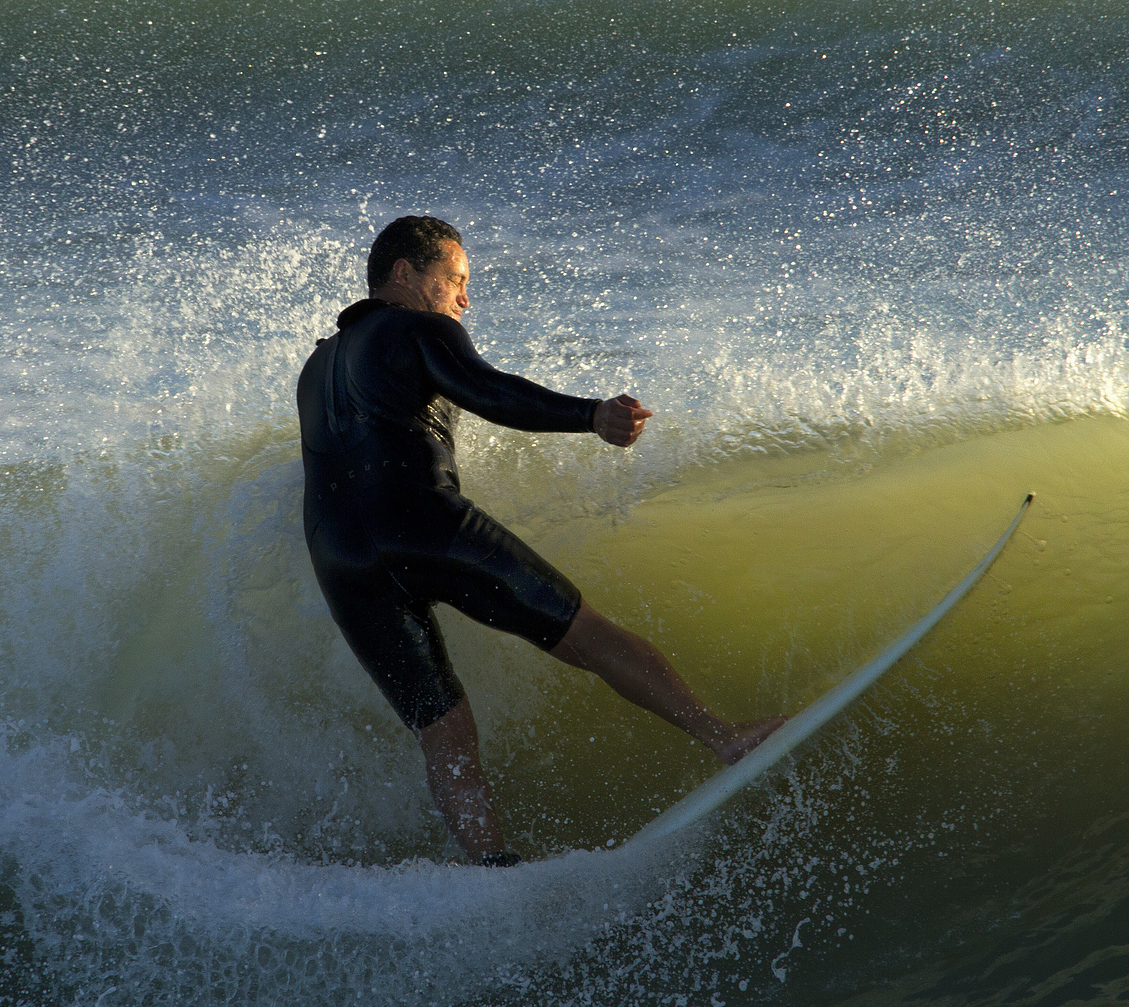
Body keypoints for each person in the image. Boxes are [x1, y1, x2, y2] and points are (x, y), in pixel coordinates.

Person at [297, 215, 784, 865]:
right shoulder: (417, 326)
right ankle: (724, 737)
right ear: (405, 274)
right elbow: (488, 391)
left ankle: (492, 868)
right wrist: (591, 415)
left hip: (339, 560)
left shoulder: (317, 365)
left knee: (442, 730)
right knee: (588, 633)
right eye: (456, 279)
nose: (465, 299)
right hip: (420, 523)